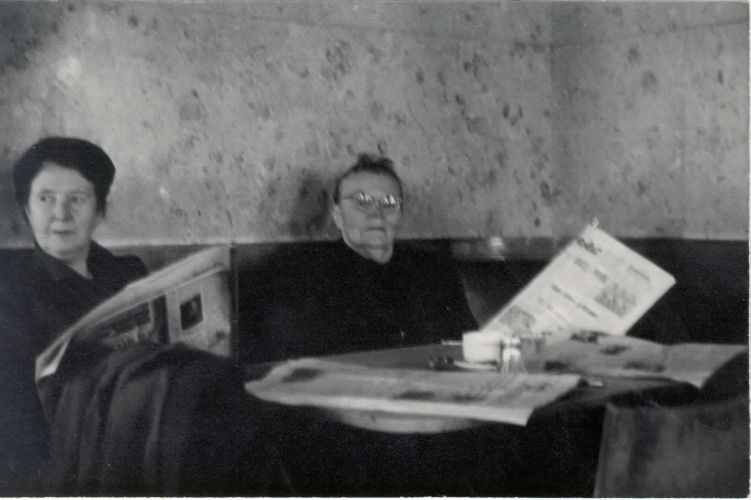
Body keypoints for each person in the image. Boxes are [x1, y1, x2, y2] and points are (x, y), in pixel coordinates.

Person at [0, 137, 149, 494]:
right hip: (65, 461)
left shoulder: (128, 273)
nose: (61, 214)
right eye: (45, 198)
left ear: (100, 211)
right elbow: (15, 416)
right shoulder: (10, 291)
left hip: (144, 431)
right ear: (27, 208)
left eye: (77, 199)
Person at [245, 153, 478, 361]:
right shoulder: (307, 274)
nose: (377, 214)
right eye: (362, 201)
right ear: (337, 215)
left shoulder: (434, 271)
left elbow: (469, 348)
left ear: (400, 213)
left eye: (389, 202)